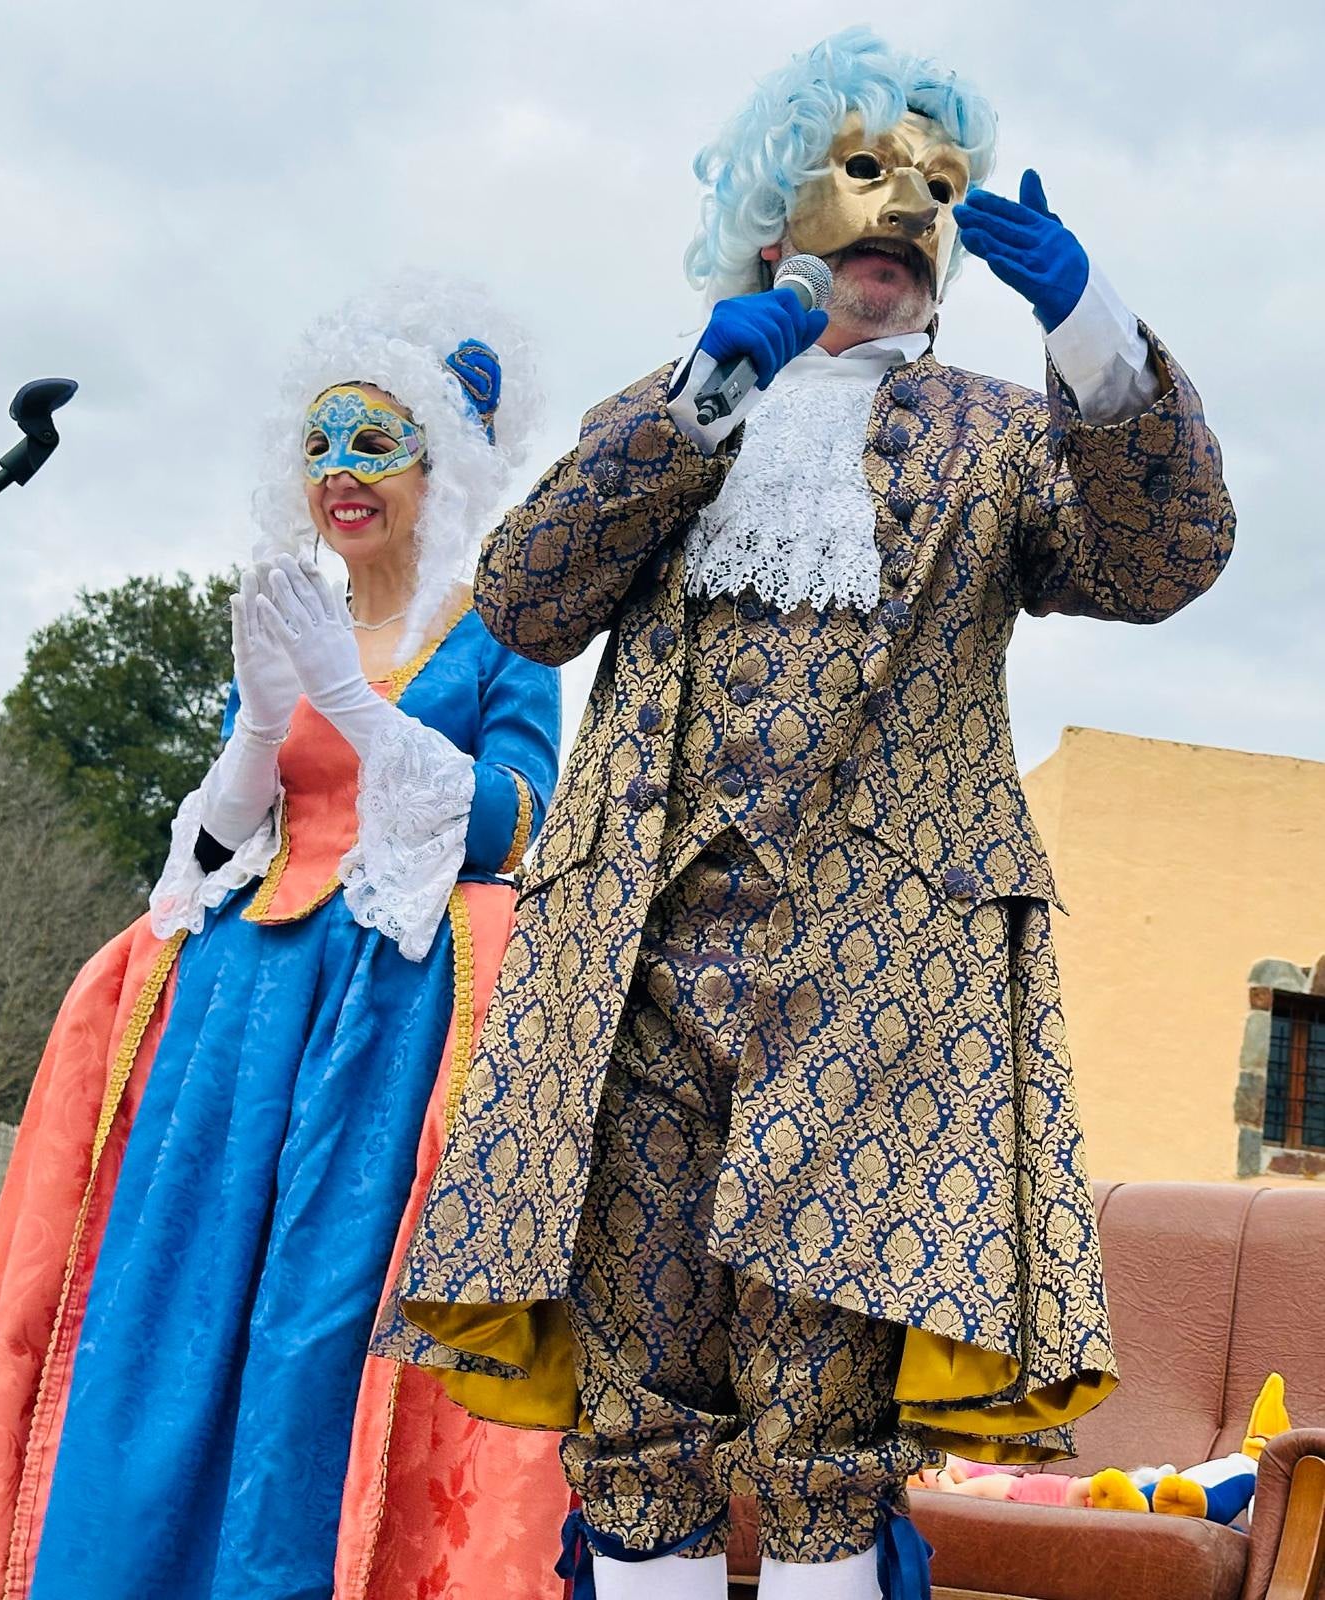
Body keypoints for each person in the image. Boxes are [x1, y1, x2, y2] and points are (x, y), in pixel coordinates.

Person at [379, 29, 1235, 1600]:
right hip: (634, 979)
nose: (905, 209)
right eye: (865, 171)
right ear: (778, 208)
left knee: (824, 1421)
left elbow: (1160, 561)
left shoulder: (997, 433)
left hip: (878, 994)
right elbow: (525, 598)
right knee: (637, 1410)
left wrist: (1092, 333)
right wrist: (707, 396)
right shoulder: (674, 410)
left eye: (940, 188)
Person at [0, 280, 569, 1600]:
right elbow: (223, 834)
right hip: (243, 998)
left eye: (372, 442)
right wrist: (267, 725)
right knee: (172, 1307)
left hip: (394, 1005)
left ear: (436, 468)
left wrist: (363, 714)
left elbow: (512, 823)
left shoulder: (504, 631)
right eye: (321, 443)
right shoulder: (278, 611)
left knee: (319, 1327)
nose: (338, 470)